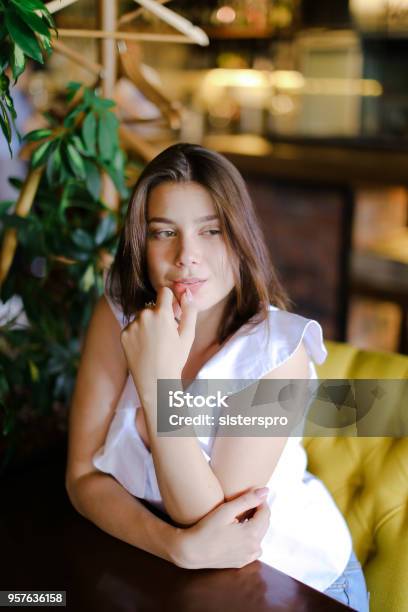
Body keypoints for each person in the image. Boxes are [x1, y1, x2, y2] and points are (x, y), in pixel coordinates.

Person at [66, 143, 370, 611]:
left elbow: (210, 525)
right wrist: (172, 546)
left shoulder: (279, 352)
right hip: (166, 570)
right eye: (164, 232)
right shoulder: (118, 313)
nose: (187, 255)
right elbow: (83, 475)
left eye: (211, 230)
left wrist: (156, 380)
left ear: (241, 237)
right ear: (139, 243)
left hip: (296, 581)